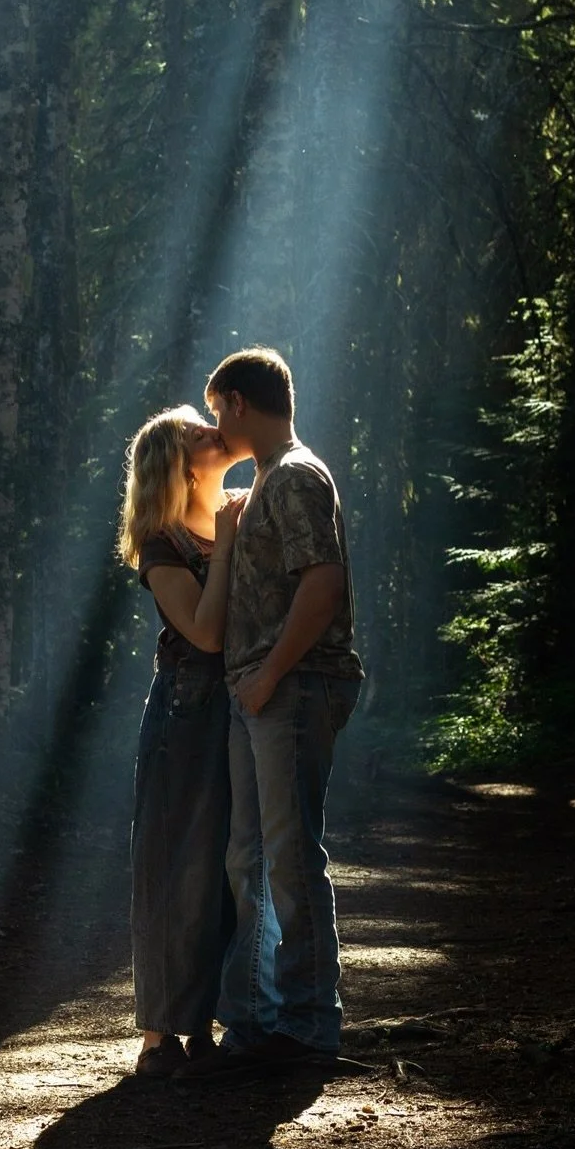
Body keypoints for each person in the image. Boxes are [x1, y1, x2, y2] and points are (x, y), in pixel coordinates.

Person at [190, 346, 364, 1074]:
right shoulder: (264, 481)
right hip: (260, 690)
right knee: (251, 858)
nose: (213, 429)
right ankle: (260, 1019)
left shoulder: (293, 474)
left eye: (214, 413)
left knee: (289, 859)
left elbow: (321, 584)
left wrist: (267, 679)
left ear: (235, 401)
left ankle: (306, 1025)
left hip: (292, 687)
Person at [118, 404, 246, 1079]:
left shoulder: (240, 510)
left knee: (231, 866)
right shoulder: (164, 537)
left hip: (248, 706)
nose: (212, 431)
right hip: (185, 710)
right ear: (177, 461)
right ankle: (157, 1035)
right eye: (197, 431)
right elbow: (203, 632)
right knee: (174, 865)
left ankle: (208, 1023)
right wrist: (226, 545)